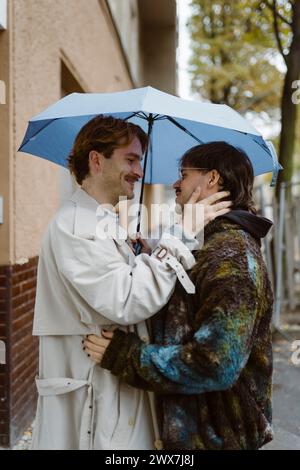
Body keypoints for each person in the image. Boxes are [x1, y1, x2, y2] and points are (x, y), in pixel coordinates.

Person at [31, 116, 231, 450]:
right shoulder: (75, 226)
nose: (139, 171)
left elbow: (125, 277)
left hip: (115, 391)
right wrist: (179, 235)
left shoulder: (101, 220)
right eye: (131, 159)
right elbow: (125, 300)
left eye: (139, 160)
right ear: (97, 160)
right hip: (92, 400)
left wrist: (142, 253)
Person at [84, 141, 274, 450]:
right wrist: (152, 255)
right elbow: (182, 313)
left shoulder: (232, 256)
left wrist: (125, 356)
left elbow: (214, 364)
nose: (175, 183)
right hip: (196, 432)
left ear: (211, 178)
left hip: (218, 436)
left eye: (183, 174)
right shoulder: (208, 246)